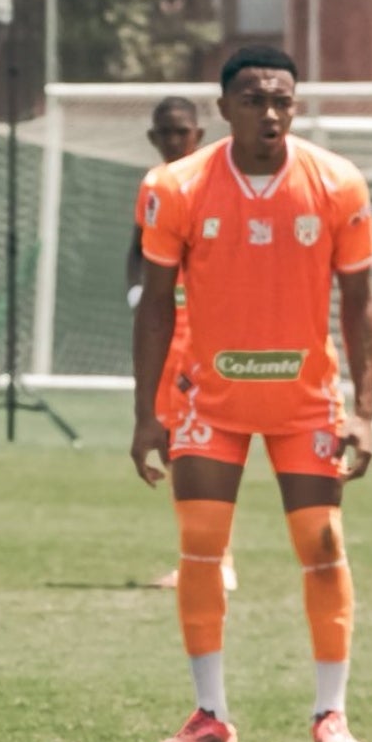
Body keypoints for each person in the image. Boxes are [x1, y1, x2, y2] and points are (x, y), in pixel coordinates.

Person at [130, 45, 372, 742]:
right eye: (254, 100)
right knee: (201, 546)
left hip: (307, 404)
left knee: (323, 545)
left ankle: (331, 714)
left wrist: (363, 410)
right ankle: (209, 714)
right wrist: (146, 413)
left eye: (282, 101)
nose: (270, 113)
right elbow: (155, 306)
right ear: (224, 109)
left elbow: (361, 304)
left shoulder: (337, 183)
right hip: (210, 401)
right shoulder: (176, 186)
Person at [128, 96, 238, 594]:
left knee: (203, 443)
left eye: (182, 131)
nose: (174, 140)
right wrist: (137, 294)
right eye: (165, 133)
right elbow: (138, 248)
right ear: (153, 138)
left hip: (208, 333)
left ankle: (216, 560)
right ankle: (208, 557)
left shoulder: (217, 184)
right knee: (176, 442)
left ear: (200, 134)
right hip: (167, 332)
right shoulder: (156, 186)